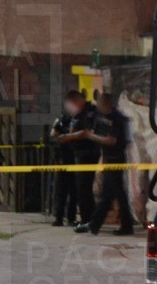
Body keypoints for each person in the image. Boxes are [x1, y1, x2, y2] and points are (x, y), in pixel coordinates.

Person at [75, 93, 133, 236]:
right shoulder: (104, 117)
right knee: (110, 194)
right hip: (109, 158)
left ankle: (98, 224)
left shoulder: (116, 119)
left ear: (106, 104)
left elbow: (111, 140)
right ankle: (98, 224)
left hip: (115, 159)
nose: (98, 107)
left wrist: (91, 136)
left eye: (100, 104)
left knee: (115, 193)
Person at [59, 90, 99, 226]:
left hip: (87, 154)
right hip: (79, 155)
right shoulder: (77, 115)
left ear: (77, 101)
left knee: (84, 189)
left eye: (70, 105)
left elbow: (87, 132)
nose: (69, 109)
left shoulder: (89, 112)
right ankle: (89, 219)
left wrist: (69, 137)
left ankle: (88, 219)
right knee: (82, 189)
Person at [49, 101, 79, 226]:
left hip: (75, 158)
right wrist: (64, 135)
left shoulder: (79, 119)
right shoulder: (62, 119)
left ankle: (71, 218)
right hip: (63, 158)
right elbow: (53, 133)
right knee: (61, 189)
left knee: (73, 190)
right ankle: (59, 217)